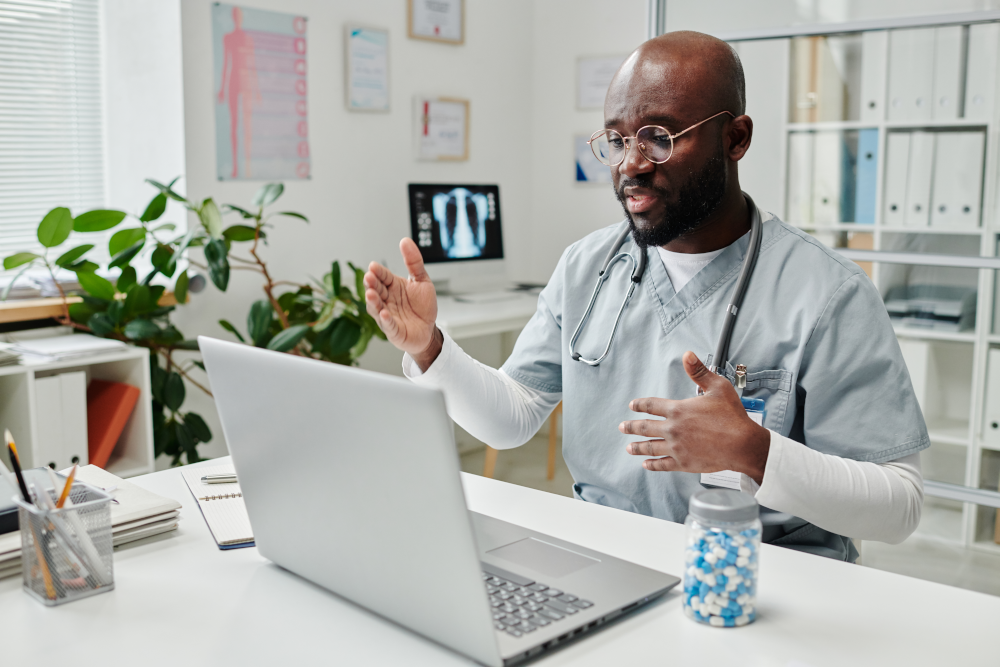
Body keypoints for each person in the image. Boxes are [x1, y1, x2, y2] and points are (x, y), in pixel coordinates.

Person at [364, 31, 927, 561]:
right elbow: (513, 418)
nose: (630, 165)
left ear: (735, 138)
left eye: (660, 137)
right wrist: (430, 350)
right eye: (617, 140)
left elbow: (898, 507)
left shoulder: (828, 293)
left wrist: (754, 451)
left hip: (758, 574)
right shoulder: (586, 265)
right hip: (607, 555)